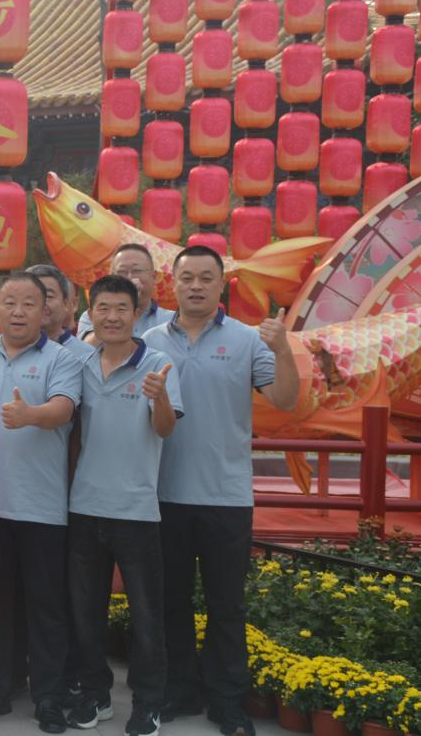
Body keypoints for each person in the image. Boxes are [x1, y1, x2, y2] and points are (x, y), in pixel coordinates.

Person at [144, 245, 297, 736]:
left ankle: (227, 701)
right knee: (170, 602)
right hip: (163, 493)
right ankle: (179, 690)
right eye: (187, 277)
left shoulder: (248, 340)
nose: (195, 285)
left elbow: (286, 400)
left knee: (227, 606)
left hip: (226, 495)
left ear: (221, 283)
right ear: (172, 282)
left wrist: (283, 349)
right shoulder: (148, 340)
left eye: (206, 277)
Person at [0, 272, 82, 734]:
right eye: (10, 303)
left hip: (42, 507)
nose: (19, 312)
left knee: (46, 608)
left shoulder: (61, 359)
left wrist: (31, 415)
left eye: (29, 303)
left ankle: (48, 696)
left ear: (46, 311)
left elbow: (64, 408)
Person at [66, 275, 182, 736]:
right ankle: (96, 694)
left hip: (136, 511)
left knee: (147, 615)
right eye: (103, 308)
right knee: (85, 611)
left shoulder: (158, 364)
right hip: (84, 506)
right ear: (90, 313)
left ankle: (148, 702)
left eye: (121, 309)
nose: (112, 317)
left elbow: (166, 430)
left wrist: (161, 398)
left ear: (137, 314)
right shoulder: (79, 363)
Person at [77, 244, 174, 340]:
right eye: (122, 272)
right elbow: (87, 346)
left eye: (137, 270)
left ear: (154, 276)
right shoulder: (93, 316)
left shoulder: (172, 320)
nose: (129, 278)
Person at [29, 264, 94, 363]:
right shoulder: (7, 352)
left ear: (66, 303)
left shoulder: (87, 356)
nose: (40, 303)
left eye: (48, 296)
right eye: (31, 296)